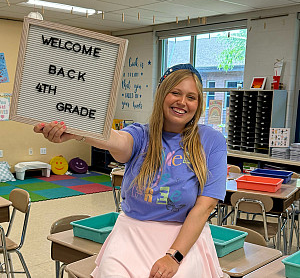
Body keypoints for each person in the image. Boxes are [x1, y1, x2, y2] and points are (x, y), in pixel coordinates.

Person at [34, 63, 227, 278]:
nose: (182, 102)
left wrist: (174, 256)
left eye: (191, 97)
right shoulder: (141, 135)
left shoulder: (211, 141)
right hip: (132, 234)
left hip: (184, 238)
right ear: (162, 94)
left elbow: (205, 206)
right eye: (175, 93)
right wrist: (77, 132)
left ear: (198, 103)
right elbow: (116, 140)